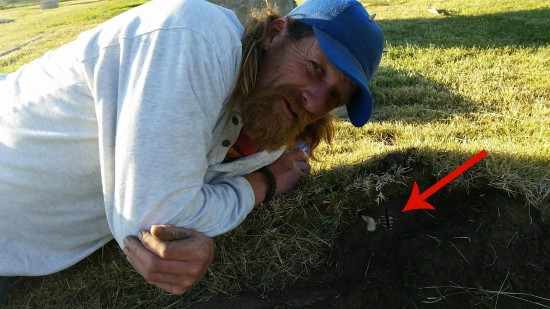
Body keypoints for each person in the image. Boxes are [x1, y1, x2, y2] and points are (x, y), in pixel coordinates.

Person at [0, 0, 384, 302]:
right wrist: (262, 185)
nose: (314, 102)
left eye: (334, 95)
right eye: (315, 68)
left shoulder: (265, 132)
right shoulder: (196, 36)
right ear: (275, 34)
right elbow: (153, 222)